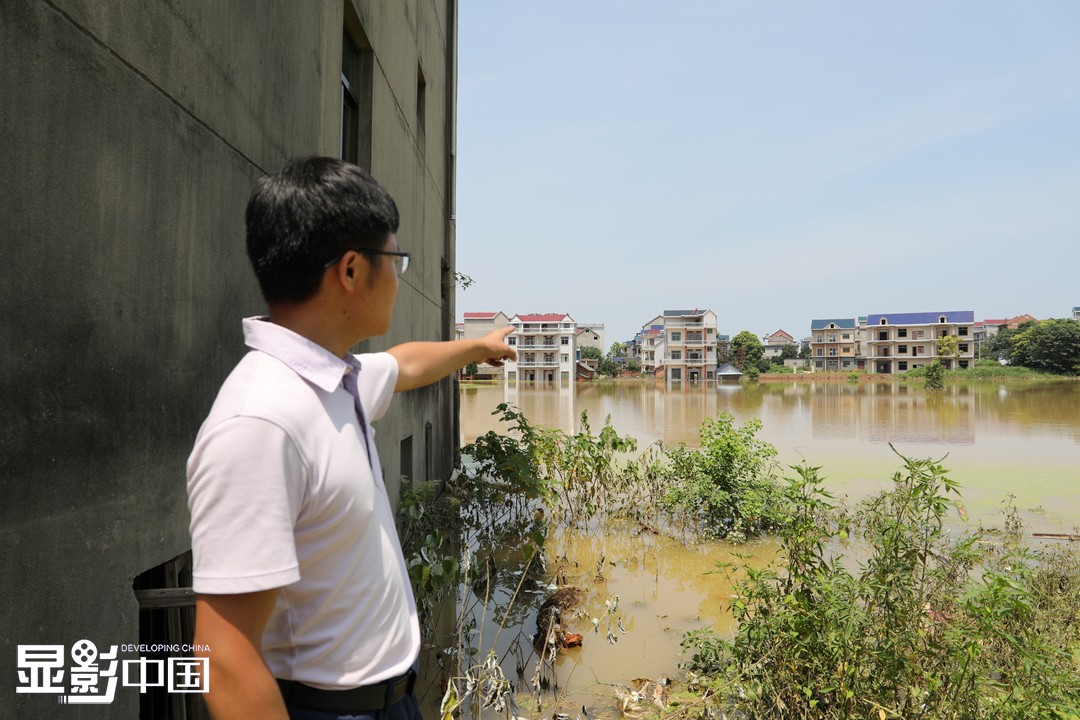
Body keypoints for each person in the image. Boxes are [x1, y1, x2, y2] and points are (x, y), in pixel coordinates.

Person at [186, 156, 515, 720]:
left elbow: (404, 364)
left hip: (392, 701)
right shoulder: (261, 423)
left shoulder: (339, 379)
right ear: (352, 270)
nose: (398, 274)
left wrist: (480, 347)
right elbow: (224, 659)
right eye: (396, 259)